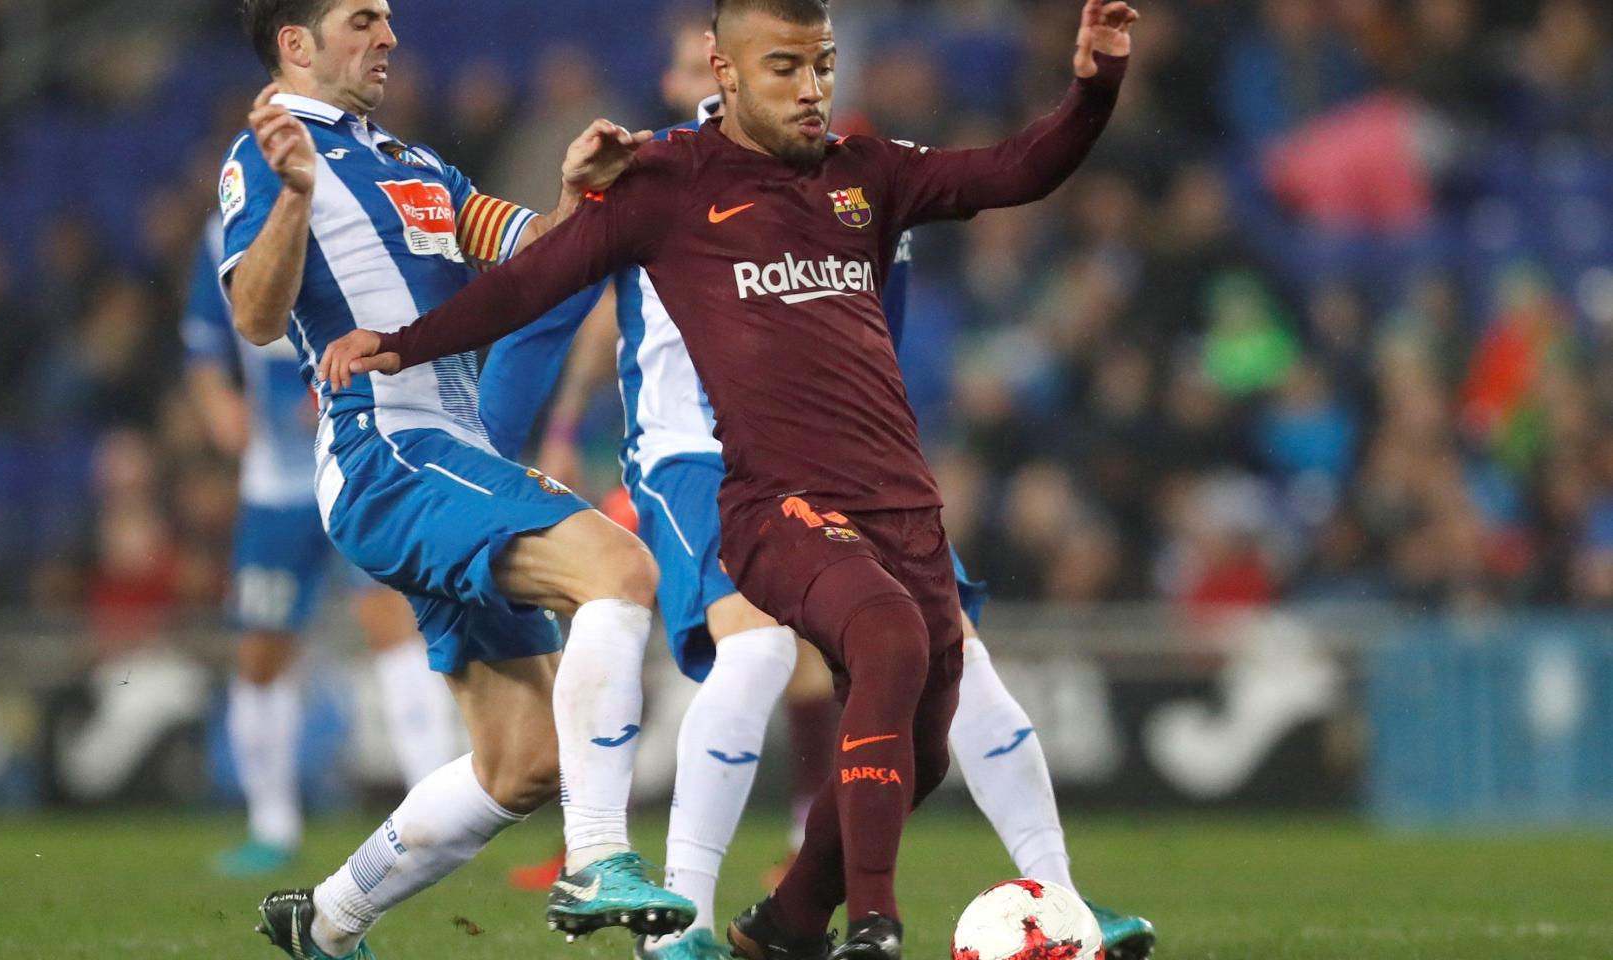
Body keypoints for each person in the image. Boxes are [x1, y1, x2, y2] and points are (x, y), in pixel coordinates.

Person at [321, 1, 1136, 956]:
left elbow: (1004, 182)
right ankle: (765, 924)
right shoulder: (656, 180)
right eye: (785, 66)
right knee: (822, 647)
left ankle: (825, 917)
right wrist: (423, 366)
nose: (812, 87)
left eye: (823, 65)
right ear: (723, 70)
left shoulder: (865, 173)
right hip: (717, 471)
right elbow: (529, 295)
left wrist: (1094, 86)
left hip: (880, 488)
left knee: (930, 727)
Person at [220, 1, 696, 957]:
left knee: (526, 762)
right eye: (363, 19)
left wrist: (578, 199)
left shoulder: (416, 164)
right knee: (620, 570)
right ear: (297, 45)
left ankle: (326, 920)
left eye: (388, 19)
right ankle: (598, 856)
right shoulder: (264, 157)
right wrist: (296, 200)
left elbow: (539, 258)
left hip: (458, 456)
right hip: (388, 454)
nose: (389, 36)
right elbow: (257, 318)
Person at [182, 212, 458, 878]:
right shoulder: (225, 233)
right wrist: (217, 402)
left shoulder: (360, 213)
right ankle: (271, 825)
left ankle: (440, 816)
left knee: (391, 622)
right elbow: (203, 344)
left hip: (366, 462)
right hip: (278, 484)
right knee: (261, 650)